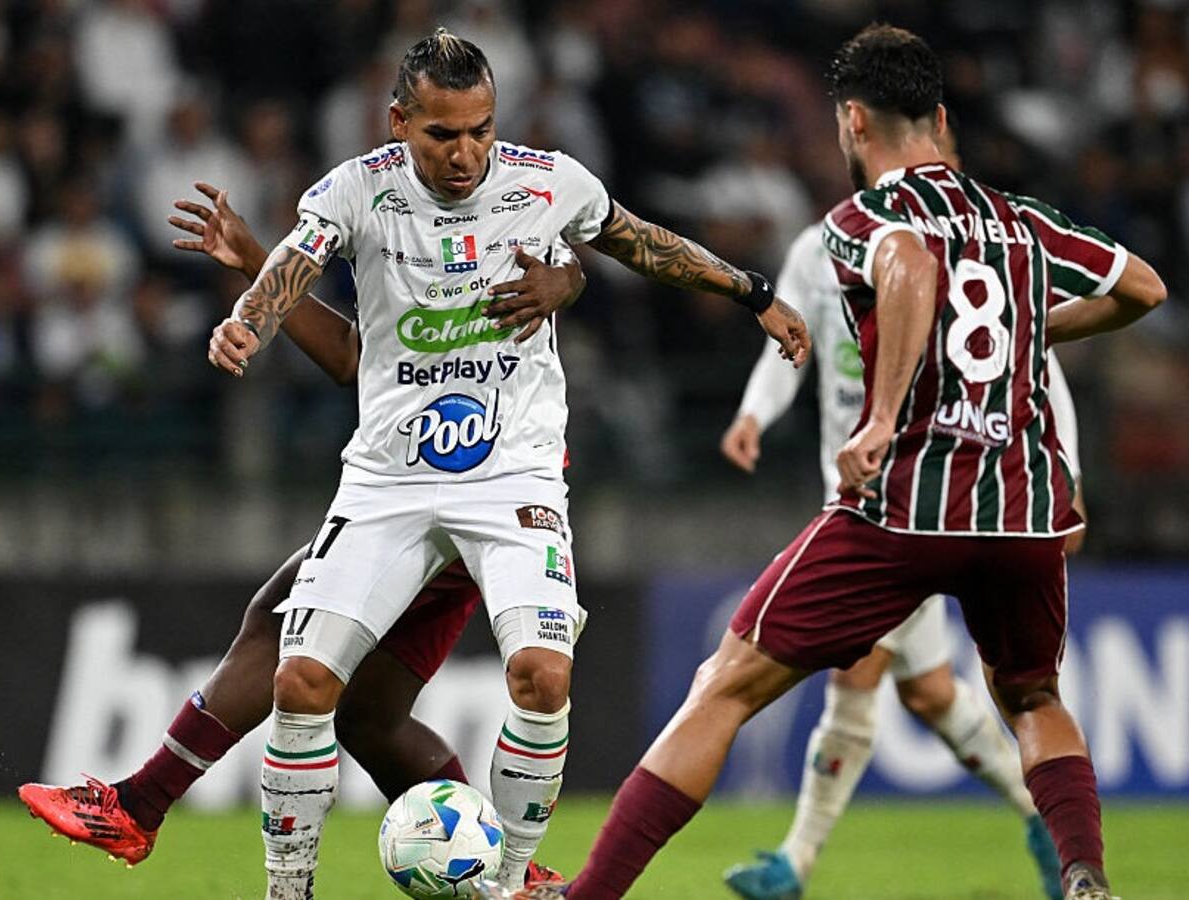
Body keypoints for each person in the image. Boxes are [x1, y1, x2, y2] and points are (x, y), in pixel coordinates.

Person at [476, 24, 1165, 900]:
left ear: (850, 122)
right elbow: (1141, 287)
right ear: (941, 117)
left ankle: (588, 897)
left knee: (723, 687)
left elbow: (910, 264)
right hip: (1023, 508)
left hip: (905, 504)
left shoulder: (863, 218)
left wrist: (881, 420)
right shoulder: (1019, 220)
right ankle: (1083, 874)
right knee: (1031, 699)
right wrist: (1035, 328)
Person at [208, 28, 808, 900]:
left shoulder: (548, 181)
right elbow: (295, 263)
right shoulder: (356, 189)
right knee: (302, 682)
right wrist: (248, 322)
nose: (465, 154)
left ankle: (514, 884)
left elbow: (641, 242)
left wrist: (752, 293)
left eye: (480, 130)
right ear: (399, 122)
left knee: (543, 674)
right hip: (389, 477)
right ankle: (287, 891)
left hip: (514, 475)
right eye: (442, 135)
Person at [18, 183, 582, 894]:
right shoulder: (419, 219)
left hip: (457, 488)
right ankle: (516, 876)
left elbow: (582, 248)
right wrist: (256, 258)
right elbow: (355, 356)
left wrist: (573, 278)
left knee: (284, 621)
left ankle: (138, 805)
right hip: (445, 484)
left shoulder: (458, 227)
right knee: (369, 718)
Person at [718, 124, 1086, 900]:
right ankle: (1039, 816)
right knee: (930, 695)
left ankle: (795, 862)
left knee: (858, 675)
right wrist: (754, 414)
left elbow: (1038, 371)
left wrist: (1071, 474)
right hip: (853, 497)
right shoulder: (821, 251)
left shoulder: (960, 260)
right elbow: (788, 345)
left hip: (919, 505)